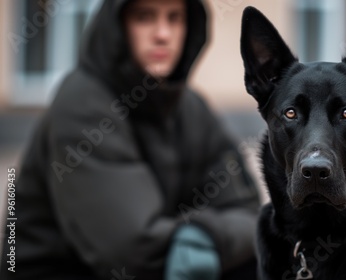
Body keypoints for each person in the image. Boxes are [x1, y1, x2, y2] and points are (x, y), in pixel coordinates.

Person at [0, 0, 261, 279]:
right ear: (117, 26)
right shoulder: (82, 103)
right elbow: (132, 250)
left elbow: (250, 213)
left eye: (174, 19)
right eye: (145, 17)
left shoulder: (190, 107)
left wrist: (203, 236)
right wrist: (195, 238)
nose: (163, 34)